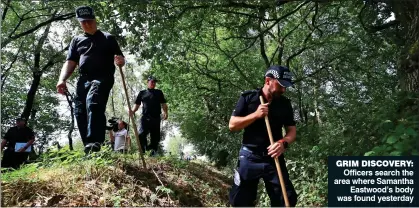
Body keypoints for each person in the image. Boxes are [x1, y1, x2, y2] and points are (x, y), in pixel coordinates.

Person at [56, 6, 125, 154]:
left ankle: (95, 142)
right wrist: (62, 80)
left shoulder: (108, 38)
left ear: (95, 19)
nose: (86, 24)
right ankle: (89, 146)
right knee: (80, 110)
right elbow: (70, 62)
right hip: (84, 79)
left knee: (93, 102)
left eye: (89, 20)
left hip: (103, 77)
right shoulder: (77, 40)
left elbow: (120, 57)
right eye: (83, 22)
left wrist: (120, 61)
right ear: (79, 23)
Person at [228, 65, 298, 207]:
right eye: (281, 85)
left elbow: (292, 131)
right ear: (268, 81)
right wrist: (255, 115)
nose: (284, 90)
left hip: (274, 158)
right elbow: (232, 125)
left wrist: (283, 143)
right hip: (249, 157)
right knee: (240, 201)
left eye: (286, 86)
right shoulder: (248, 98)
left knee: (287, 199)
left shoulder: (285, 104)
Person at [130, 76, 168, 155]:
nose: (153, 83)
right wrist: (132, 111)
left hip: (156, 117)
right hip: (145, 117)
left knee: (155, 136)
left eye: (154, 82)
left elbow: (163, 104)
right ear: (148, 82)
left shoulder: (159, 92)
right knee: (141, 134)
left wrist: (166, 112)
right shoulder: (142, 93)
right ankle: (143, 150)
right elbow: (137, 104)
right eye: (152, 82)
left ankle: (153, 151)